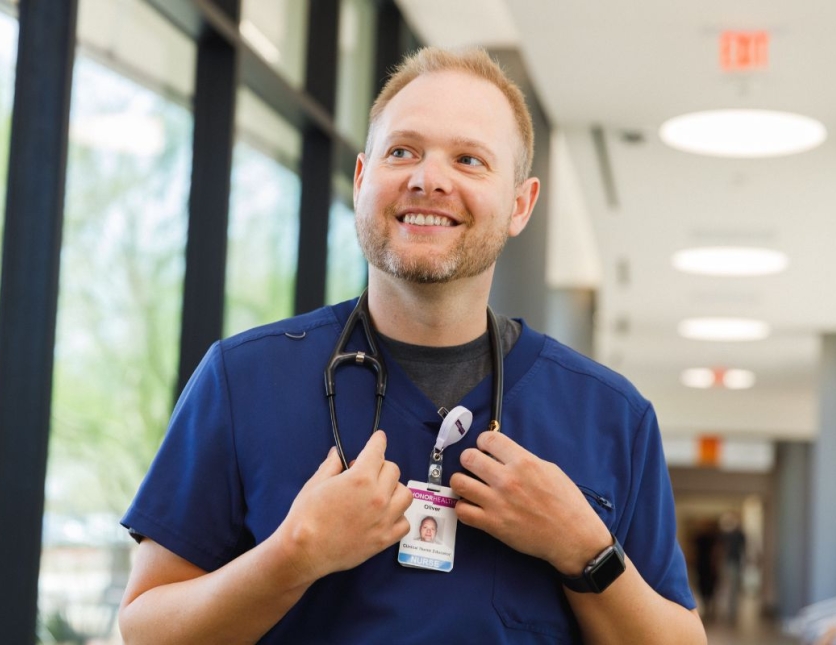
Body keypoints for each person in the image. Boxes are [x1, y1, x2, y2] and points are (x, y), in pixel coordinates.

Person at [117, 47, 706, 644]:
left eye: (469, 159)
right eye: (402, 151)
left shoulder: (610, 415)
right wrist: (295, 555)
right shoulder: (243, 381)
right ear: (361, 178)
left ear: (520, 206)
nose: (429, 178)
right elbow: (145, 631)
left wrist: (586, 550)